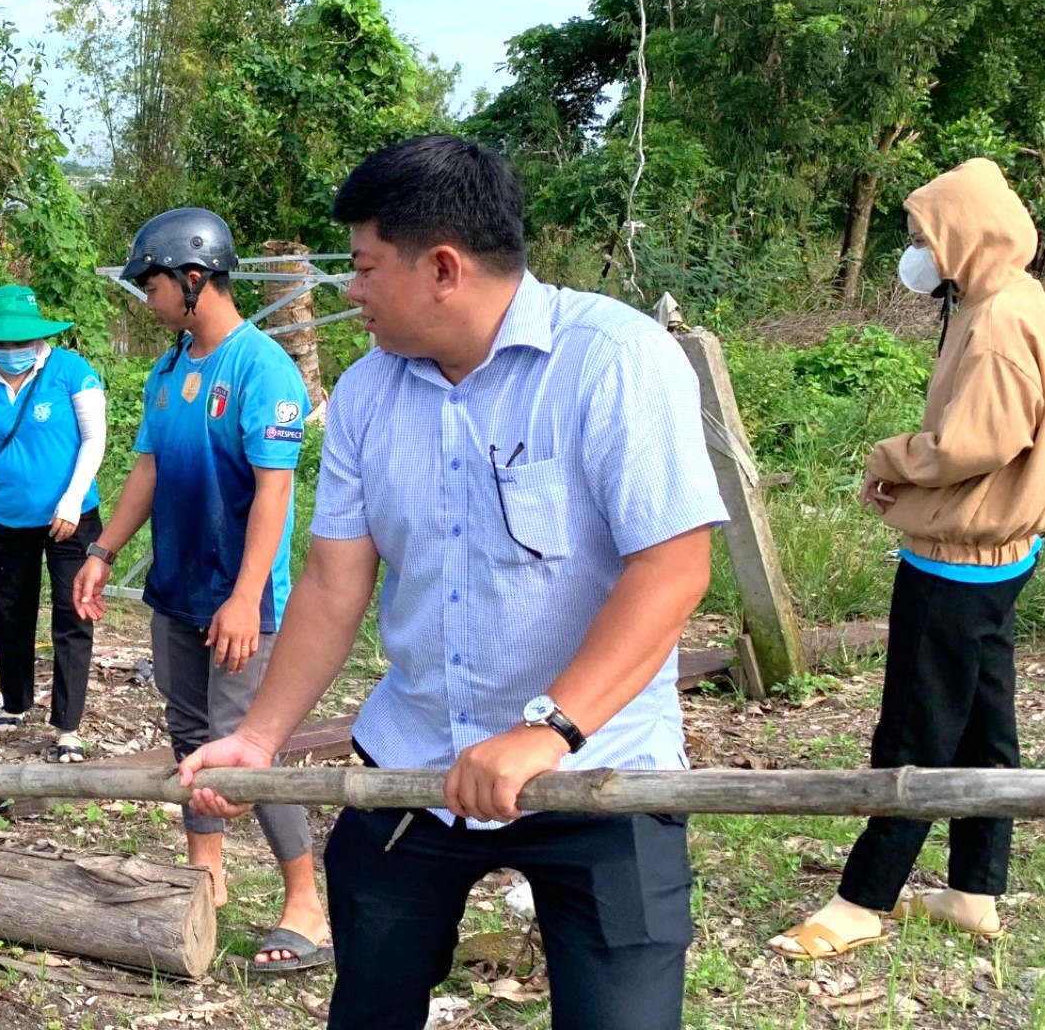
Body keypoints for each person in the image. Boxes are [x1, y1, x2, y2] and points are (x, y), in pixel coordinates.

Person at [178, 135, 728, 1028]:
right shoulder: (365, 394)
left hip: (600, 771)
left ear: (442, 268)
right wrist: (260, 737)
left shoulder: (615, 361)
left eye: (361, 267)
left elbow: (671, 567)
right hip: (416, 764)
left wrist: (545, 731)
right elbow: (331, 581)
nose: (348, 291)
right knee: (370, 1008)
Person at [770, 158, 1045, 960]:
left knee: (914, 733)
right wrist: (918, 481)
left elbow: (976, 442)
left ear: (965, 233)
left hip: (955, 560)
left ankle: (862, 900)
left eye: (926, 233)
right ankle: (974, 890)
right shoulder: (1008, 299)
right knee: (983, 726)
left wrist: (892, 457)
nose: (918, 248)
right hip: (993, 546)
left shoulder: (996, 322)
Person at [72, 208, 328, 972]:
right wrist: (104, 551)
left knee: (248, 749)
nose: (144, 298)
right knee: (188, 735)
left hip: (239, 598)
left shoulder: (262, 370)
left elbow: (275, 495)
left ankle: (305, 906)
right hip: (174, 589)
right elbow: (148, 468)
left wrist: (246, 594)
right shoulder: (169, 367)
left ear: (192, 278)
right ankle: (205, 876)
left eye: (148, 284)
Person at [0, 285, 107, 762]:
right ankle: (14, 703)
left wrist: (72, 501)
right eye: (2, 343)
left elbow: (95, 440)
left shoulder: (72, 372)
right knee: (11, 611)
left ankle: (67, 726)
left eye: (20, 343)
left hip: (69, 519)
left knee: (72, 615)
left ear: (38, 338)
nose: (11, 352)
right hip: (7, 517)